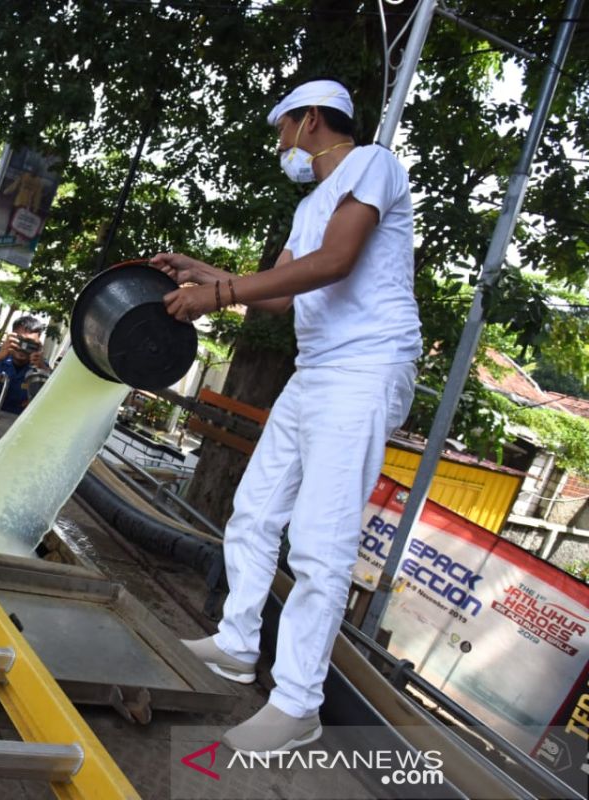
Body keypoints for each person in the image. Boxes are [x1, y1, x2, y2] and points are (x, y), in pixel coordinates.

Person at [150, 79, 421, 755]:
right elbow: (277, 295)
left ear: (309, 121)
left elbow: (336, 263)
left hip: (366, 369)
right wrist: (200, 272)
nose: (281, 146)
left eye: (282, 130)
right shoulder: (309, 206)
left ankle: (298, 702)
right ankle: (238, 642)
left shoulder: (371, 164)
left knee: (319, 544)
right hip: (318, 370)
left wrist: (218, 295)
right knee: (254, 508)